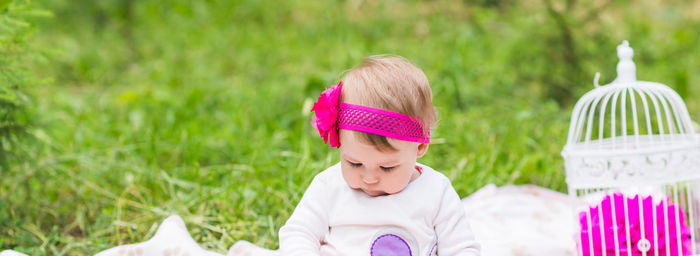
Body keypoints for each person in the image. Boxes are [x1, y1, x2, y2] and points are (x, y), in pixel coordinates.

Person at [279, 55, 480, 255]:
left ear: (419, 147)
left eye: (387, 167)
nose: (369, 178)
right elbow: (299, 232)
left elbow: (462, 249)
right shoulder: (329, 187)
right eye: (354, 164)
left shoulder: (436, 192)